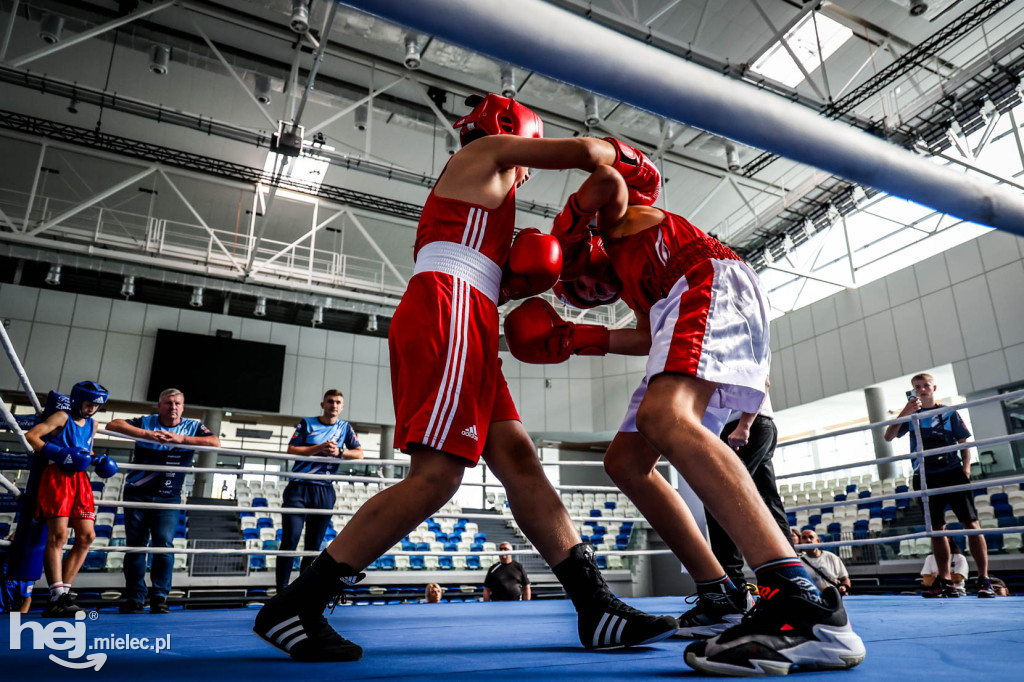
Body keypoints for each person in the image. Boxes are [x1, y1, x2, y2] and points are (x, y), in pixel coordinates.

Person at [254, 93, 677, 662]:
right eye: (528, 151)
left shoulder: (486, 202)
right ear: (517, 131)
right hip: (448, 308)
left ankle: (595, 608)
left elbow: (495, 275)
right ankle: (299, 604)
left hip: (470, 314)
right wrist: (632, 165)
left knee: (521, 461)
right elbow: (588, 154)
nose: (527, 169)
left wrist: (538, 291)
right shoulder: (489, 154)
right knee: (438, 477)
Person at [505, 165, 865, 674]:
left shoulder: (616, 225)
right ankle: (719, 593)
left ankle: (800, 602)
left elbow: (607, 177)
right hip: (690, 301)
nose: (588, 291)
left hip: (709, 278)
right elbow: (649, 336)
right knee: (626, 462)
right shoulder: (641, 295)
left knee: (666, 416)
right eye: (581, 297)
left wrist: (569, 232)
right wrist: (575, 337)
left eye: (580, 281)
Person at [105, 388, 220, 614]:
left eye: (177, 403)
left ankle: (159, 597)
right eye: (168, 403)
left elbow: (215, 442)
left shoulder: (192, 426)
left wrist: (182, 439)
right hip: (137, 492)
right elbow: (112, 425)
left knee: (163, 546)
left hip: (169, 496)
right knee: (135, 546)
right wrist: (146, 434)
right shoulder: (146, 422)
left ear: (183, 407)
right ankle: (135, 596)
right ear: (159, 406)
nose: (173, 407)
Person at [883, 373, 993, 598]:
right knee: (936, 530)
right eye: (917, 387)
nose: (922, 389)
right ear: (913, 390)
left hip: (953, 472)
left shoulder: (949, 412)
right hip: (924, 475)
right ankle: (945, 581)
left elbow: (964, 442)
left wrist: (966, 468)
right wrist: (906, 411)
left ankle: (984, 579)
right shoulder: (911, 415)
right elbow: (888, 436)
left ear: (934, 387)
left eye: (925, 385)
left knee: (971, 524)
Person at [25, 381, 116, 617]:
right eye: (89, 404)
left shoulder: (93, 424)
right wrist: (59, 453)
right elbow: (32, 436)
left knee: (87, 536)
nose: (92, 409)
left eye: (96, 405)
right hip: (58, 477)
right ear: (78, 400)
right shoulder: (61, 417)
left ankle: (63, 595)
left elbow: (86, 450)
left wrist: (98, 461)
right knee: (59, 535)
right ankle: (56, 596)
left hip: (80, 481)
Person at [278, 389, 363, 590]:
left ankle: (301, 592)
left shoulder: (345, 428)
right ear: (322, 404)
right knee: (290, 540)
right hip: (299, 486)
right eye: (330, 401)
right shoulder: (307, 423)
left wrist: (340, 451)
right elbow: (291, 450)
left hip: (324, 489)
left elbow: (359, 454)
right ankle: (281, 591)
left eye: (337, 402)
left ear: (342, 407)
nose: (333, 405)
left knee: (313, 547)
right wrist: (319, 448)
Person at [706, 396, 790, 590]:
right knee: (768, 502)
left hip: (742, 426)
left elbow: (762, 382)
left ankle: (732, 586)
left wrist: (745, 425)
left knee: (718, 498)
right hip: (755, 425)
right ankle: (789, 579)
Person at [797, 529, 851, 595]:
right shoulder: (798, 562)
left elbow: (845, 579)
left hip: (834, 598)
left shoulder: (832, 557)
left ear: (818, 541)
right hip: (812, 599)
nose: (808, 540)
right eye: (804, 538)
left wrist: (844, 588)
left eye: (811, 537)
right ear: (801, 542)